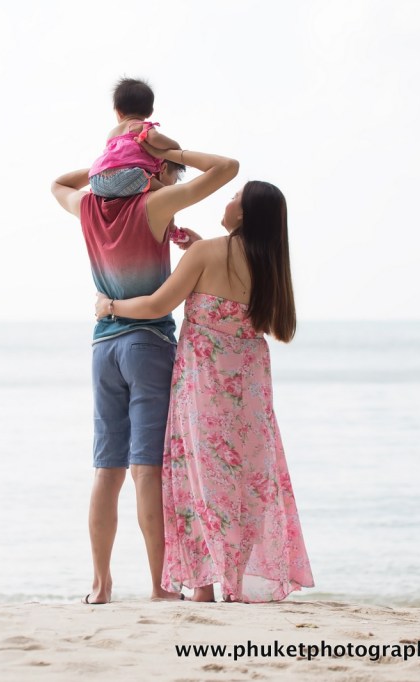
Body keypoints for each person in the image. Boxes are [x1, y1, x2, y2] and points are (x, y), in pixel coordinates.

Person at [94, 179, 314, 603]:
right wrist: (198, 251)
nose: (228, 201)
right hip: (250, 386)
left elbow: (157, 304)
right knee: (246, 479)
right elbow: (269, 323)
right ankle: (235, 581)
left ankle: (203, 587)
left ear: (244, 213)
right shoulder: (269, 264)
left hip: (205, 385)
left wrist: (111, 307)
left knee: (199, 478)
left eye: (235, 196)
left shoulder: (206, 254)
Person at [51, 142, 239, 604]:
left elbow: (58, 184)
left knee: (106, 470)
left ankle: (100, 585)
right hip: (148, 344)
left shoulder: (88, 207)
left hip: (103, 347)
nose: (170, 182)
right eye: (167, 175)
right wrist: (154, 164)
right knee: (146, 470)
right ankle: (160, 586)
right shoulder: (155, 205)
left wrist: (108, 167)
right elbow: (225, 170)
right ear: (153, 172)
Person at [88, 78, 182, 200]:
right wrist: (175, 145)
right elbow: (154, 138)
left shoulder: (112, 133)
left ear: (119, 112)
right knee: (162, 190)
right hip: (129, 177)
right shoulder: (141, 126)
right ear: (150, 112)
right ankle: (166, 194)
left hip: (97, 180)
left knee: (130, 183)